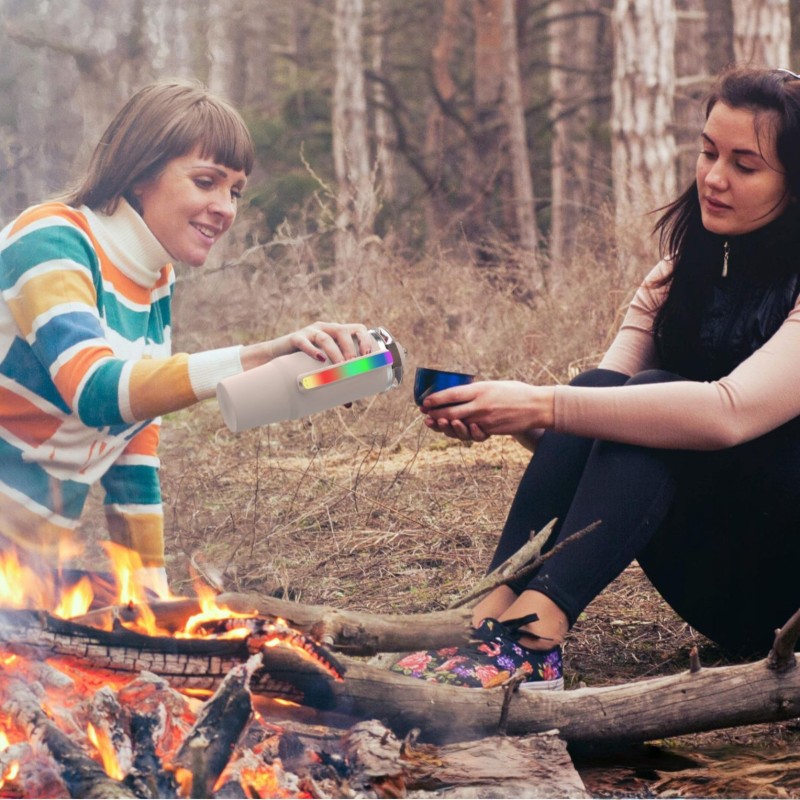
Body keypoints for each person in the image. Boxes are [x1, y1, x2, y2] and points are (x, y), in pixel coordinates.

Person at [391, 65, 800, 691]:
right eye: (708, 152)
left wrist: (541, 405)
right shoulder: (672, 278)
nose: (714, 178)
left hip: (788, 597)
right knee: (605, 391)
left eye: (745, 166)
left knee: (645, 399)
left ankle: (534, 641)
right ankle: (478, 624)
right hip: (716, 577)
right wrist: (510, 418)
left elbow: (726, 414)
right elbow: (594, 427)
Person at [0, 80, 375, 596]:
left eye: (235, 191)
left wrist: (152, 599)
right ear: (139, 173)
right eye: (206, 181)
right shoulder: (51, 239)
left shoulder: (155, 279)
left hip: (22, 583)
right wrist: (261, 354)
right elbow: (95, 390)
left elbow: (134, 451)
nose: (225, 207)